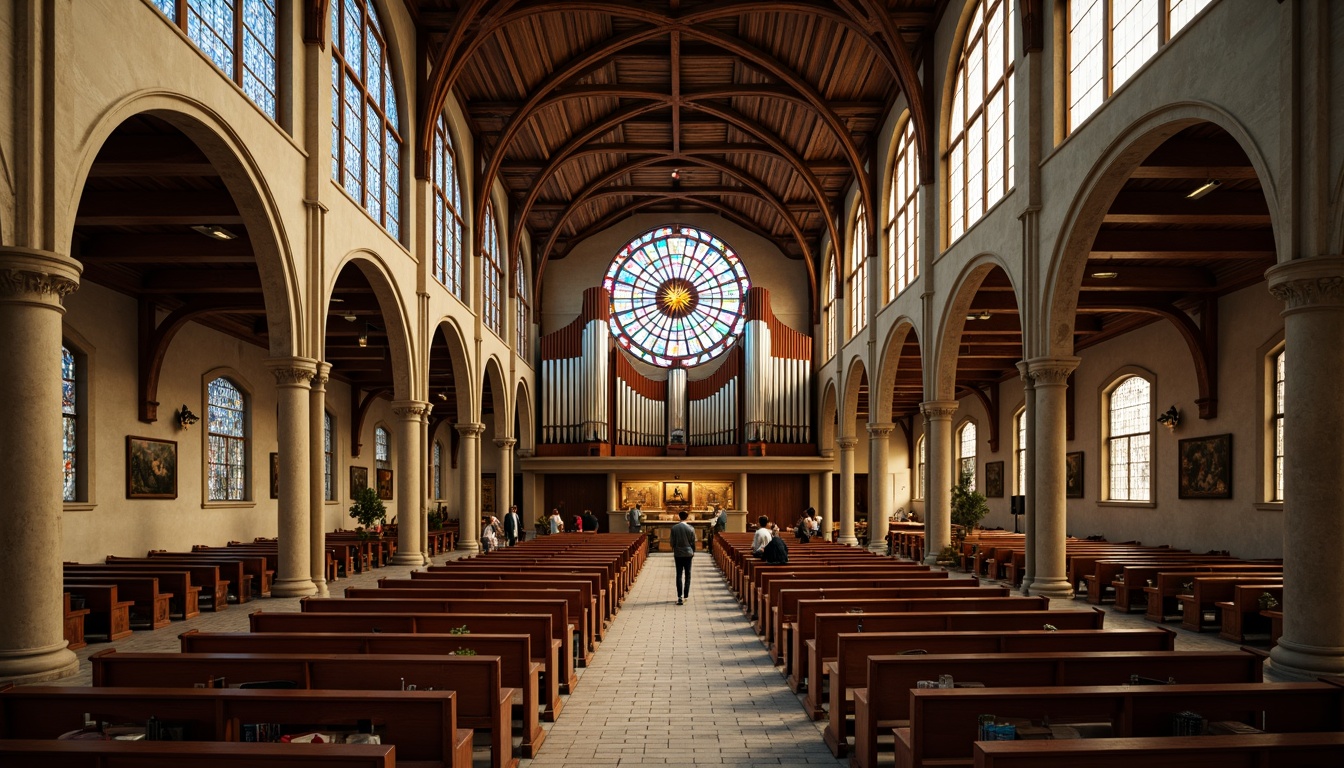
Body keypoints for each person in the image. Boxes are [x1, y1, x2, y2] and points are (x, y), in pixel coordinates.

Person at [670, 509, 696, 605]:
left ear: (679, 517)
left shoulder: (674, 528)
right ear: (687, 517)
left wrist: (675, 548)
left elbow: (672, 542)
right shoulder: (691, 528)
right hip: (688, 553)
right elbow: (693, 542)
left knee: (679, 574)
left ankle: (679, 596)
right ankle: (686, 595)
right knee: (688, 574)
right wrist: (693, 552)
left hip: (678, 553)